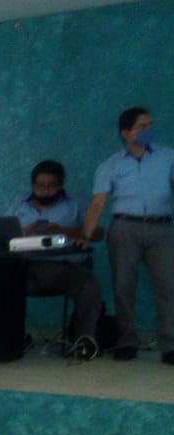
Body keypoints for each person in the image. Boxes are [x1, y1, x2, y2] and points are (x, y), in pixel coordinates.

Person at [79, 107, 174, 363]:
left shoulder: (169, 157)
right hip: (125, 228)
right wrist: (86, 236)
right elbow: (97, 203)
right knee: (123, 287)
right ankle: (127, 341)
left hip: (162, 228)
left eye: (150, 125)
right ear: (125, 133)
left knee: (168, 286)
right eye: (142, 127)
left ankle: (170, 345)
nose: (148, 130)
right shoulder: (110, 165)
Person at [4, 159, 105, 357]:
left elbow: (98, 234)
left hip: (64, 268)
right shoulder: (19, 205)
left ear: (61, 185)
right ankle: (12, 337)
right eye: (40, 185)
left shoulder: (75, 205)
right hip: (25, 268)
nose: (45, 191)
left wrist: (63, 230)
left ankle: (84, 340)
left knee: (90, 287)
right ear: (32, 184)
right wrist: (25, 231)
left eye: (51, 186)